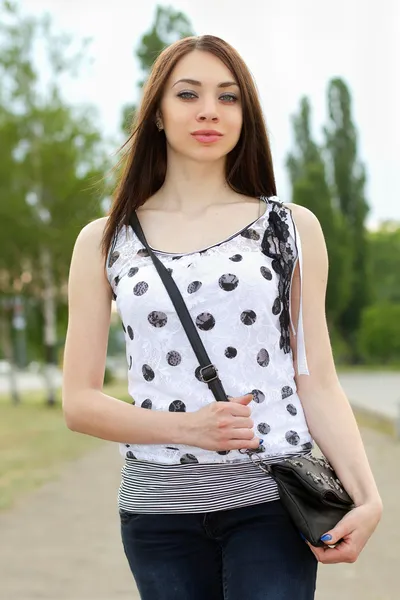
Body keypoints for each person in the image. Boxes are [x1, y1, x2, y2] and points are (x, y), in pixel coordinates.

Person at [62, 34, 382, 600]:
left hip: (271, 499)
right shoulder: (105, 240)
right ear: (157, 114)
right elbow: (78, 402)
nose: (209, 109)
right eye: (188, 94)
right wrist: (188, 428)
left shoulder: (291, 228)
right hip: (158, 509)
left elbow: (317, 377)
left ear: (245, 115)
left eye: (228, 97)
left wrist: (366, 494)